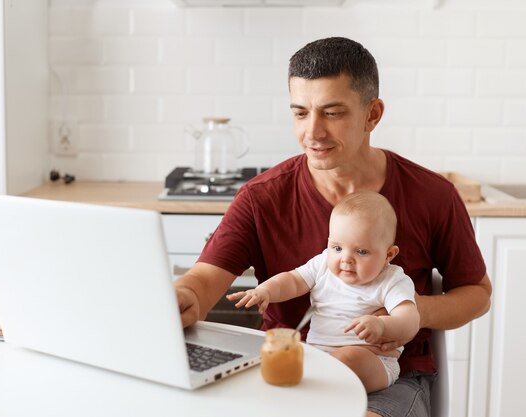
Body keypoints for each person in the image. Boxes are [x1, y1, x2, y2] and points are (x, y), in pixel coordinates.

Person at [174, 37, 492, 417]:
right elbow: (203, 281)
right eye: (300, 113)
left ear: (372, 114)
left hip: (387, 379)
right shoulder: (261, 197)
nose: (313, 132)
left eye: (332, 112)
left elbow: (477, 294)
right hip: (287, 373)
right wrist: (182, 296)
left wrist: (407, 314)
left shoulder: (433, 195)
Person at [227, 191, 420, 393]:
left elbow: (410, 320)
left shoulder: (392, 280)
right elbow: (293, 280)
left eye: (361, 251)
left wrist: (382, 325)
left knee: (350, 357)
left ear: (388, 254)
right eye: (337, 248)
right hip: (319, 356)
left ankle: (314, 389)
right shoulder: (323, 265)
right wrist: (265, 290)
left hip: (373, 362)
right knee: (277, 356)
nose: (346, 258)